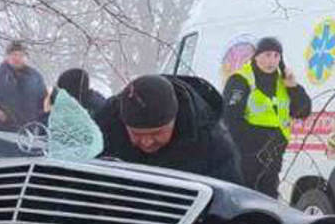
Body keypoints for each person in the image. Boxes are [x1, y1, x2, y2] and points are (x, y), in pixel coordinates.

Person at [92, 73, 245, 184]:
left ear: (175, 119)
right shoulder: (102, 130)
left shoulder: (212, 144)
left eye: (157, 133)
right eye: (136, 134)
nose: (147, 142)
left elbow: (228, 200)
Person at [222, 37, 312, 198]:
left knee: (269, 198)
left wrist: (294, 88)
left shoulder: (283, 81)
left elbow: (303, 111)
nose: (272, 60)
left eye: (276, 56)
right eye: (267, 55)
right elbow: (230, 118)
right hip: (248, 153)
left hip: (274, 152)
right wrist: (252, 143)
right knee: (246, 196)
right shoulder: (241, 79)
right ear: (256, 56)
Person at [0, 40, 48, 133]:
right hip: (2, 132)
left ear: (26, 57)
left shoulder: (35, 77)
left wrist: (42, 128)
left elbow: (44, 105)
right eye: (14, 54)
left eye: (21, 55)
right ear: (7, 57)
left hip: (29, 135)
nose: (17, 58)